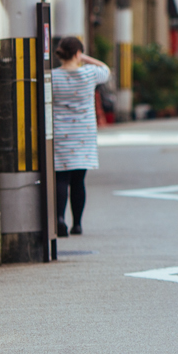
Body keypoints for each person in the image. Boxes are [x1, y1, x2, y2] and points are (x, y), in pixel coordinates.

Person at [52, 37, 111, 236]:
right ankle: (77, 223)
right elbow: (106, 69)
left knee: (61, 178)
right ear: (78, 54)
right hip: (83, 135)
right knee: (78, 180)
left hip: (60, 134)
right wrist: (84, 57)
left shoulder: (52, 77)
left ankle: (59, 218)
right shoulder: (89, 73)